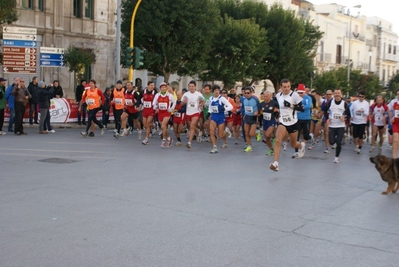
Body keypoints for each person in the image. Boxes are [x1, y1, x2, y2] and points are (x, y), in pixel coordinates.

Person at [269, 79, 306, 172]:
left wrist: (291, 105)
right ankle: (276, 163)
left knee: (293, 145)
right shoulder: (278, 96)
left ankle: (301, 146)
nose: (286, 89)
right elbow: (278, 106)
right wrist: (276, 113)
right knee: (277, 140)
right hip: (283, 122)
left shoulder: (294, 95)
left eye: (288, 86)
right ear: (281, 87)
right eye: (284, 87)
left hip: (293, 123)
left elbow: (302, 108)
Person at [324, 89, 350, 163]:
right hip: (332, 125)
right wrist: (327, 119)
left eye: (338, 93)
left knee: (338, 142)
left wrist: (344, 118)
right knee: (331, 141)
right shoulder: (330, 103)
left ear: (341, 94)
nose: (337, 94)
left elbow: (348, 115)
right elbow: (325, 111)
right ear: (334, 94)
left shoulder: (344, 104)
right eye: (336, 93)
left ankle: (336, 157)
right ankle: (338, 143)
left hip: (340, 126)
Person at [208, 85, 233, 153]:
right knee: (211, 132)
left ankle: (226, 131)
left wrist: (225, 108)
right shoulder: (211, 98)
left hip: (221, 117)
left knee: (220, 135)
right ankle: (214, 147)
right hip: (214, 116)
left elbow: (231, 106)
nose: (217, 92)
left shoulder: (222, 98)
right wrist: (209, 112)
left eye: (218, 90)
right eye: (215, 90)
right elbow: (210, 106)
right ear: (213, 91)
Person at [181, 80, 204, 149]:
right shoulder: (186, 94)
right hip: (188, 113)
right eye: (190, 86)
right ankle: (199, 133)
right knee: (191, 127)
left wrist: (201, 104)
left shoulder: (198, 94)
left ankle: (189, 143)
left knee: (192, 126)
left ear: (195, 87)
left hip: (196, 112)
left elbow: (202, 100)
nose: (191, 88)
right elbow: (181, 104)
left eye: (192, 86)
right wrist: (184, 102)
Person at [152, 82, 176, 147]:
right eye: (162, 87)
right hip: (160, 113)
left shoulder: (169, 95)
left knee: (163, 126)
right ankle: (169, 138)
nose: (163, 88)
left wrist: (171, 108)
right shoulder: (157, 95)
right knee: (164, 127)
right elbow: (154, 103)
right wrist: (155, 107)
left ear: (166, 88)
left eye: (164, 87)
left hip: (167, 112)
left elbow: (174, 102)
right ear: (160, 88)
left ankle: (164, 140)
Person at [293, 84, 312, 158]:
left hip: (306, 118)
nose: (300, 94)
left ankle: (310, 137)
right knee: (296, 135)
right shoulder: (295, 98)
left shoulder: (308, 98)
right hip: (297, 119)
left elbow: (309, 105)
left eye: (301, 93)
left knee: (305, 135)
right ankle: (296, 152)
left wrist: (301, 107)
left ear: (304, 92)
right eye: (299, 93)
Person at [259, 91, 279, 156]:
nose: (265, 97)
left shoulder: (274, 103)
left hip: (272, 120)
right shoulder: (261, 104)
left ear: (270, 96)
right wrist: (259, 122)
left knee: (267, 134)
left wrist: (277, 118)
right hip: (265, 121)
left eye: (267, 96)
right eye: (264, 96)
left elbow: (278, 111)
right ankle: (271, 149)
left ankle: (273, 137)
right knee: (266, 137)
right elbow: (260, 114)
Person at [242, 86, 260, 152]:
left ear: (251, 92)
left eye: (248, 93)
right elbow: (243, 108)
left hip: (253, 117)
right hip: (247, 117)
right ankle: (249, 146)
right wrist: (243, 114)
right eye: (245, 93)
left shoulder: (255, 99)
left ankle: (257, 133)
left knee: (251, 134)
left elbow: (260, 107)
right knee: (246, 133)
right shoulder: (244, 100)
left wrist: (257, 112)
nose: (246, 94)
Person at [388, 89, 399, 158]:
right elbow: (388, 109)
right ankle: (394, 158)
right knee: (395, 140)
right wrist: (390, 117)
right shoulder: (393, 101)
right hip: (396, 122)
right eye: (398, 94)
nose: (398, 96)